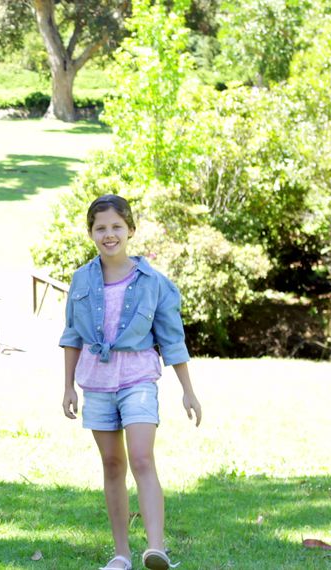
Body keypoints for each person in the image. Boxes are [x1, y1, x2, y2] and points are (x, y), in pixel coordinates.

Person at [59, 194, 203, 570]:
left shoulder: (154, 282)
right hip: (97, 383)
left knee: (141, 457)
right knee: (111, 464)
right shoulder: (81, 280)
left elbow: (172, 339)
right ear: (91, 233)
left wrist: (188, 390)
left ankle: (156, 549)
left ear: (130, 230)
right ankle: (121, 553)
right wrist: (67, 386)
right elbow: (72, 335)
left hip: (138, 379)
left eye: (116, 227)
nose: (109, 235)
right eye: (100, 228)